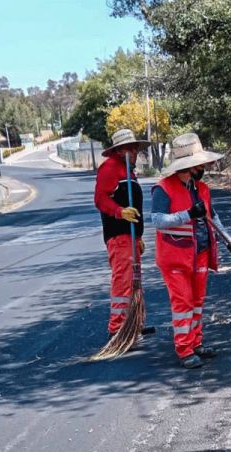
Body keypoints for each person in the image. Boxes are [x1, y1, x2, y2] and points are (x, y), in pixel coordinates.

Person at [151, 133, 231, 369]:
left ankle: (196, 342)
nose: (203, 167)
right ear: (188, 167)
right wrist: (188, 215)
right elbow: (158, 221)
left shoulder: (202, 188)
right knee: (183, 303)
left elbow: (214, 217)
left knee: (197, 301)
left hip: (200, 252)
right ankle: (184, 349)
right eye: (199, 164)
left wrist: (229, 240)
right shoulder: (163, 189)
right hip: (175, 257)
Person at [94, 128, 148, 339]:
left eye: (135, 149)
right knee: (124, 281)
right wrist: (119, 212)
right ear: (119, 151)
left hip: (132, 237)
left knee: (135, 280)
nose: (134, 153)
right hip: (119, 236)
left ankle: (135, 322)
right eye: (130, 149)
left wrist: (140, 237)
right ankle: (118, 328)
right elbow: (100, 199)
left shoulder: (129, 172)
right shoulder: (110, 168)